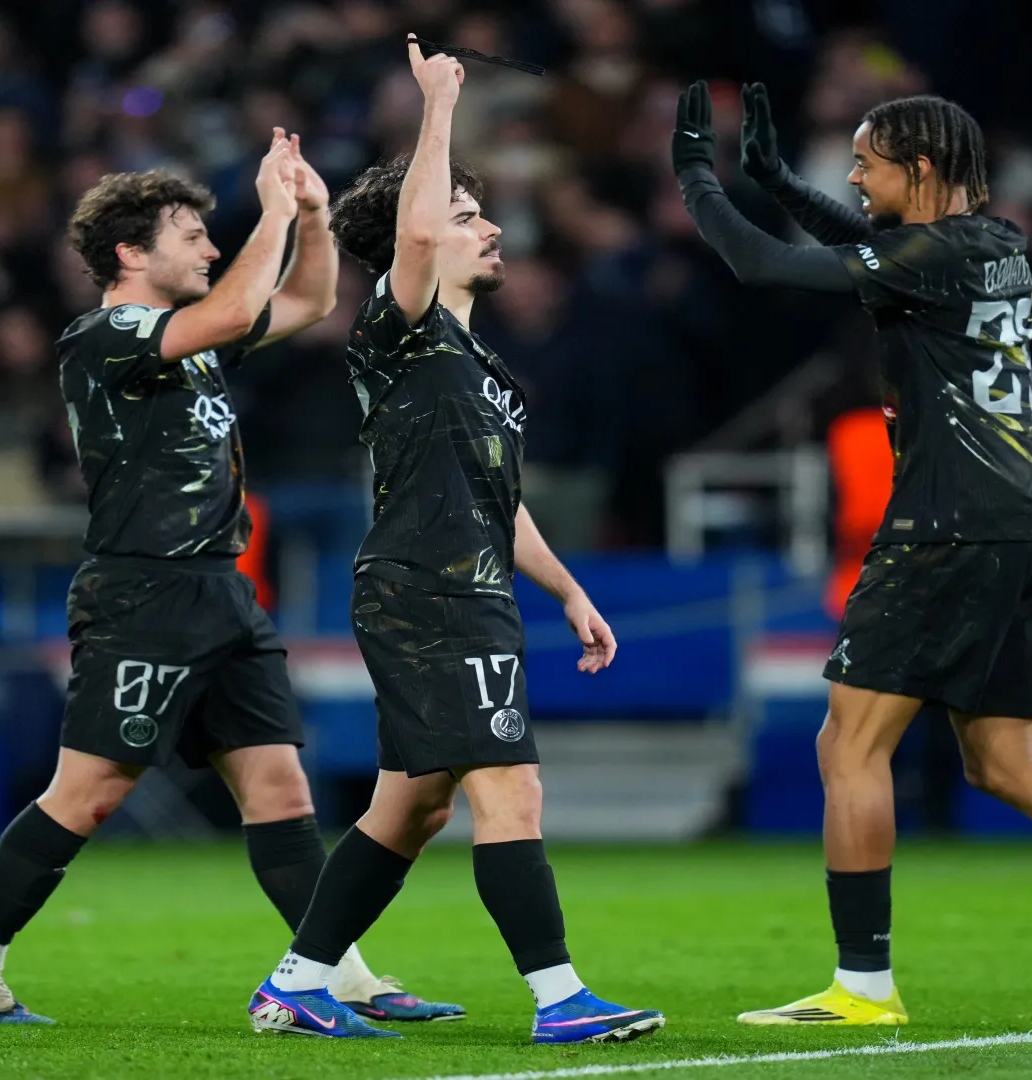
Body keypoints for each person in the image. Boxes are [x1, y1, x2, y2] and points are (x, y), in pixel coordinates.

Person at [671, 81, 1032, 1028]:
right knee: (1002, 761)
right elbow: (866, 245)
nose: (854, 179)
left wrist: (697, 180)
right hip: (1027, 523)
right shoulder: (994, 245)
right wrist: (780, 180)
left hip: (946, 525)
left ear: (919, 169)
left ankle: (864, 988)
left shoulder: (932, 257)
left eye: (866, 164)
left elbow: (762, 265)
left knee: (849, 744)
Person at [0, 133, 461, 1026]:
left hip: (222, 590)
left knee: (280, 790)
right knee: (89, 794)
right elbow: (237, 302)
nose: (210, 247)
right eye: (191, 235)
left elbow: (307, 301)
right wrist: (272, 212)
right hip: (145, 593)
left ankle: (337, 974)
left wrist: (313, 215)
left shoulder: (191, 342)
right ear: (131, 254)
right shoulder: (105, 336)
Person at [245, 36, 663, 1045]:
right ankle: (560, 998)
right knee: (510, 787)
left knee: (411, 809)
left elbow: (498, 503)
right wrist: (438, 105)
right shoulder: (402, 327)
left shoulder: (475, 363)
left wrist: (568, 590)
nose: (490, 228)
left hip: (461, 587)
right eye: (469, 216)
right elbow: (421, 229)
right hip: (428, 593)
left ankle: (296, 983)